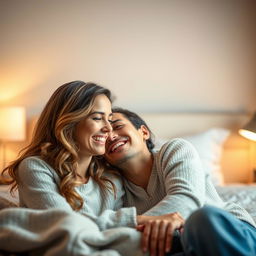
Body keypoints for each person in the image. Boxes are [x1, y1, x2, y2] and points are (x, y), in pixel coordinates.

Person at [1, 81, 180, 256]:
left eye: (109, 120)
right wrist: (136, 219)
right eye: (97, 118)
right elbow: (64, 224)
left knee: (136, 239)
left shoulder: (110, 178)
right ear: (68, 122)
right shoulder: (35, 167)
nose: (108, 129)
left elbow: (109, 234)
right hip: (63, 246)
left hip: (95, 245)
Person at [104, 107, 256, 256]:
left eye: (117, 126)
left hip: (227, 231)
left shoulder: (175, 149)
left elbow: (186, 202)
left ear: (144, 132)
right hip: (182, 245)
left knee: (201, 218)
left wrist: (137, 225)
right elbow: (98, 228)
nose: (111, 136)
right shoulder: (112, 184)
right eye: (103, 135)